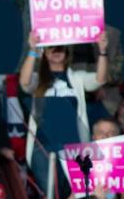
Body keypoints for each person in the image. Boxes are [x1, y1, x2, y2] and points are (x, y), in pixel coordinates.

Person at [19, 34, 109, 165]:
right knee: (47, 186)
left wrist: (102, 51)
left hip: (72, 147)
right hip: (43, 146)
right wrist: (33, 49)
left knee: (70, 186)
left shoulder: (77, 78)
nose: (56, 51)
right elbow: (24, 82)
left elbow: (100, 79)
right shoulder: (38, 79)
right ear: (44, 53)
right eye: (51, 48)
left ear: (67, 52)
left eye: (60, 48)